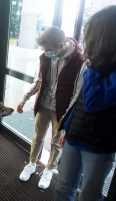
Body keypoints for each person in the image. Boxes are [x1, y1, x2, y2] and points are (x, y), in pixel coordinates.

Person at [55, 5, 116, 201]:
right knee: (64, 187)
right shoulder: (95, 67)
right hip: (76, 137)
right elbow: (80, 101)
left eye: (90, 35)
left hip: (99, 146)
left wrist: (92, 67)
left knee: (89, 195)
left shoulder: (98, 70)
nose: (86, 41)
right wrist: (67, 129)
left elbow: (92, 102)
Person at [17, 26, 84, 189]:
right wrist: (24, 98)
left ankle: (49, 169)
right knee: (37, 137)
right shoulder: (45, 57)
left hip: (62, 110)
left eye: (47, 49)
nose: (45, 51)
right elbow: (39, 81)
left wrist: (66, 116)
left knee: (56, 142)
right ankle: (32, 164)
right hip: (44, 105)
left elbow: (76, 93)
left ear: (60, 46)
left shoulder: (78, 62)